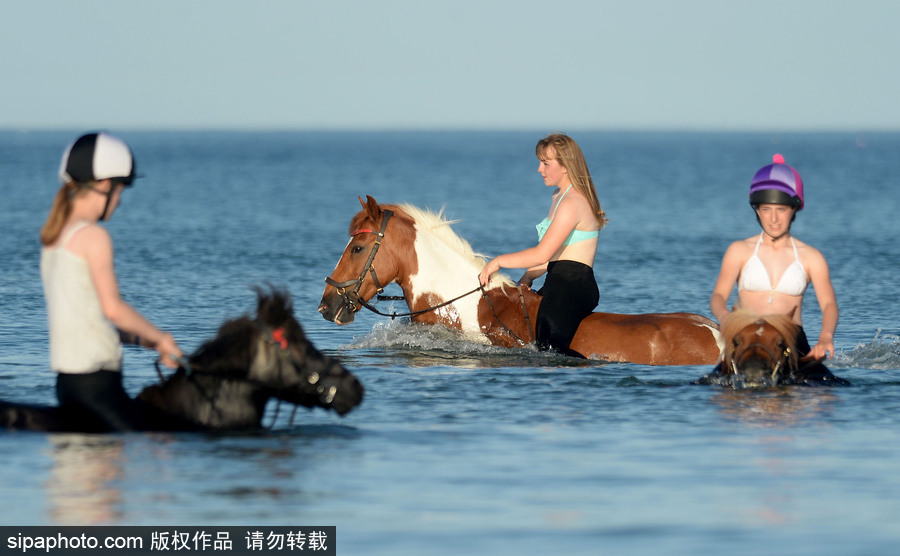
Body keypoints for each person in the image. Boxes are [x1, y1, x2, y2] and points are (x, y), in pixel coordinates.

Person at [40, 132, 183, 431]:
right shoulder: (93, 237)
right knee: (161, 449)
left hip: (68, 386)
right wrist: (161, 338)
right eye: (120, 191)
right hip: (99, 387)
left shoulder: (54, 240)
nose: (118, 202)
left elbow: (86, 321)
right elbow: (113, 309)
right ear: (104, 185)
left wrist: (141, 340)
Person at [479, 133, 607, 358]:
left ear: (565, 166)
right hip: (555, 282)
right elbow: (551, 256)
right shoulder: (558, 197)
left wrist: (497, 262)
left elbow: (542, 253)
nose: (540, 169)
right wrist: (527, 278)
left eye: (546, 163)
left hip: (574, 286)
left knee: (548, 350)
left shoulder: (572, 202)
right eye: (540, 162)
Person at [710, 154, 837, 364]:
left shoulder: (811, 257)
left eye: (781, 210)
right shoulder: (739, 250)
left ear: (794, 209)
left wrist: (825, 337)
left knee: (831, 390)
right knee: (707, 388)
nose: (774, 219)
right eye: (766, 209)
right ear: (757, 210)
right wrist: (726, 319)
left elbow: (829, 304)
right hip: (745, 338)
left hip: (791, 341)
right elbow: (718, 296)